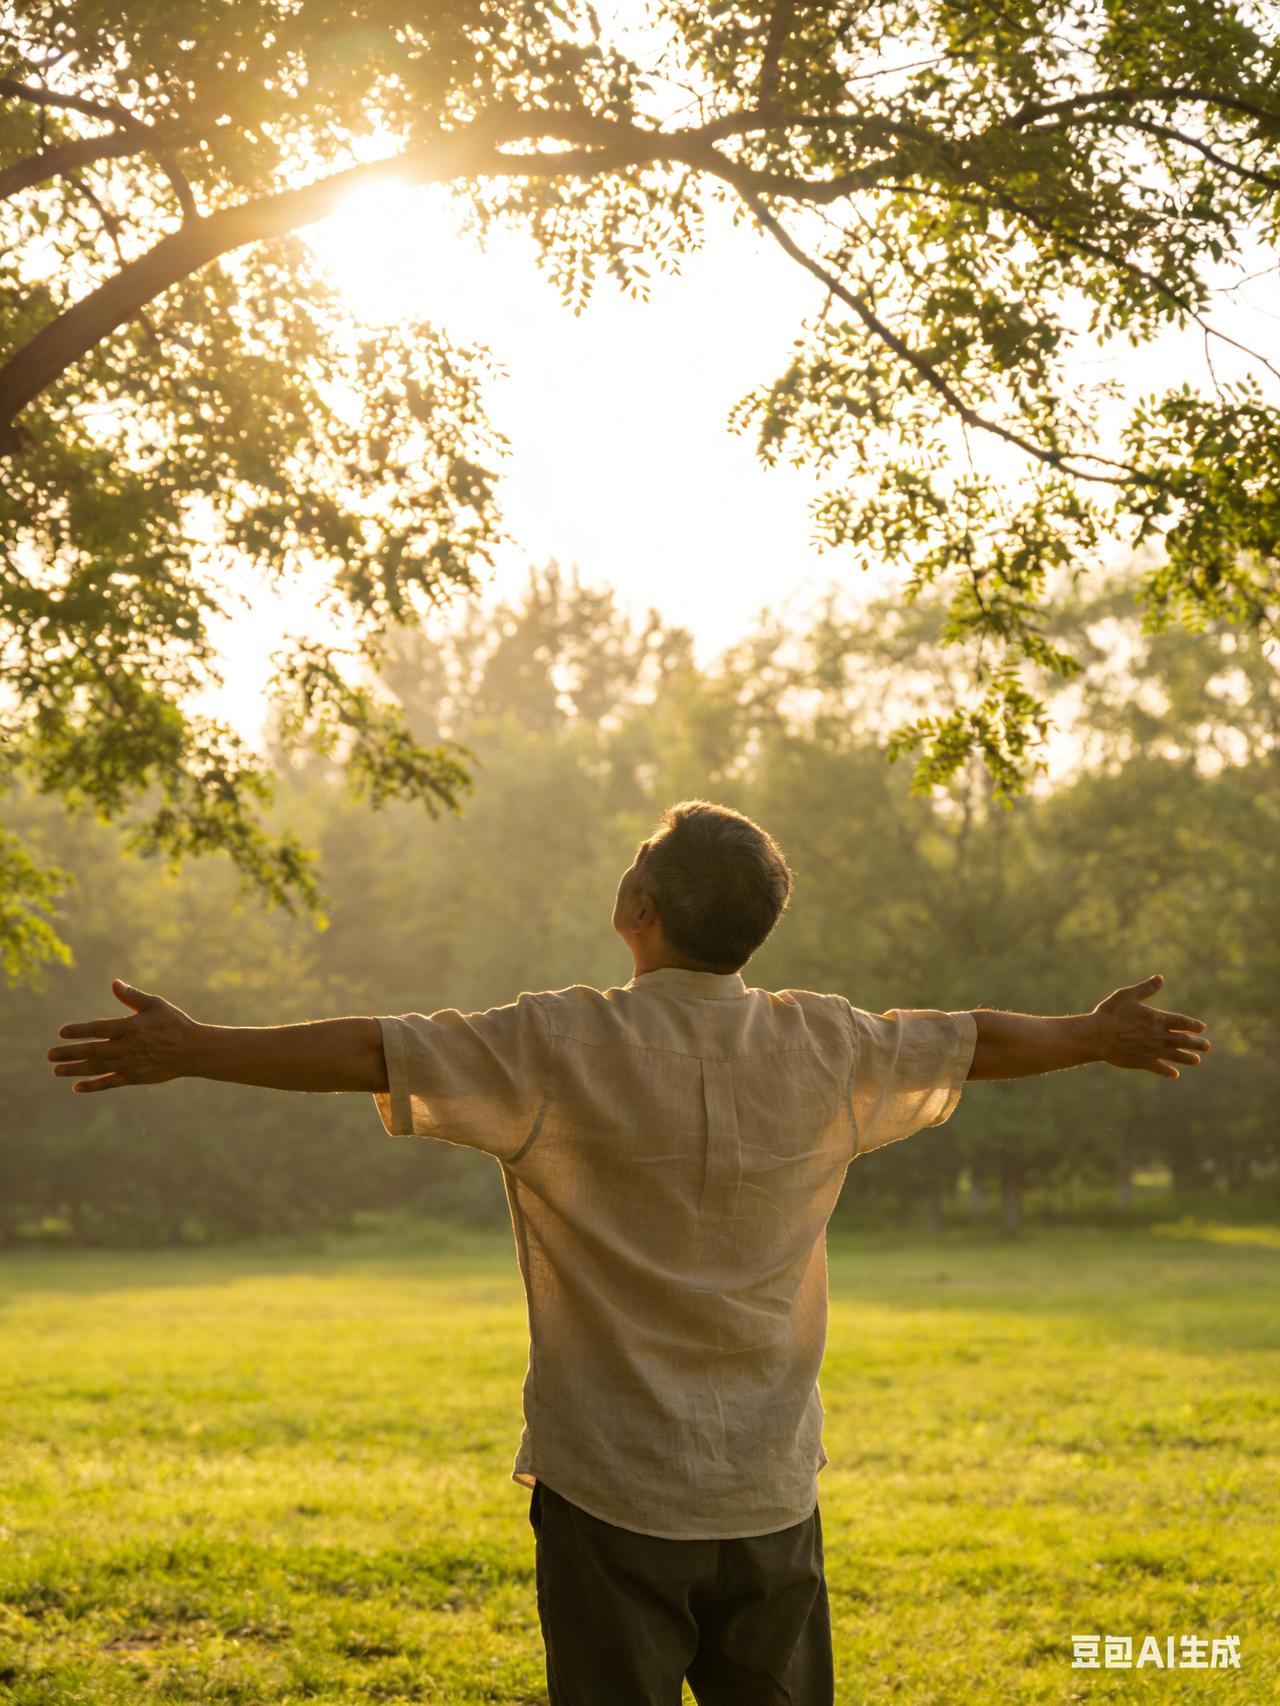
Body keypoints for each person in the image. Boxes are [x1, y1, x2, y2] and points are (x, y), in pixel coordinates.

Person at [45, 798, 1211, 1706]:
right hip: (766, 1493)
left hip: (608, 1490)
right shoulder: (825, 1043)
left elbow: (370, 1049)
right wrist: (1095, 1034)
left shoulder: (558, 1043)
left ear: (633, 903)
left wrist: (199, 1046)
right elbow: (971, 1040)